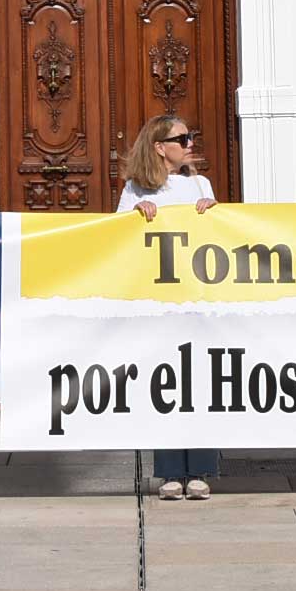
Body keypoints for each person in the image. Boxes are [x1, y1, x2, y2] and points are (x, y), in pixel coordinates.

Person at [117, 114, 220, 500]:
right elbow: (116, 235)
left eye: (191, 136)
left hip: (196, 295)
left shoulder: (199, 182)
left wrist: (214, 210)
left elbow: (215, 233)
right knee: (166, 381)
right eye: (183, 138)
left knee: (201, 380)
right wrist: (136, 215)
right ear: (161, 147)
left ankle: (201, 470)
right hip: (159, 300)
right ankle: (170, 472)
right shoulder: (136, 188)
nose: (190, 143)